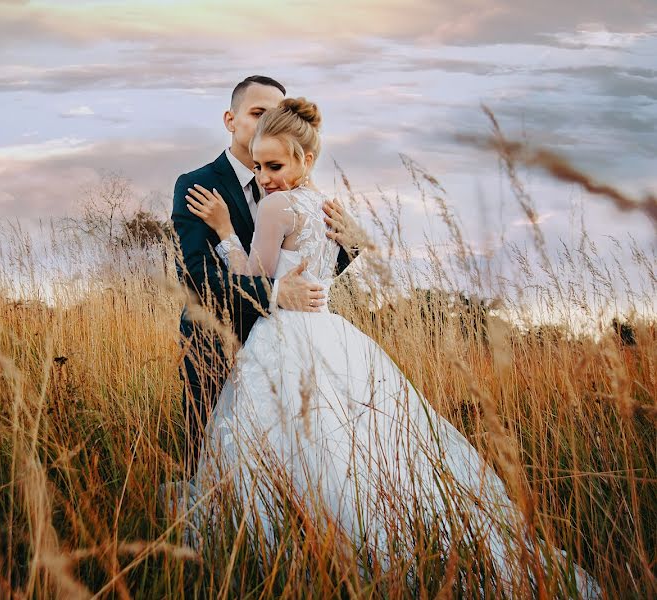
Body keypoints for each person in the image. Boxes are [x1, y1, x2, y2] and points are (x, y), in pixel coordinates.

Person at [185, 97, 600, 596]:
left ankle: (304, 544)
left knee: (295, 440)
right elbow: (326, 262)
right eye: (259, 167)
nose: (266, 176)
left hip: (286, 333)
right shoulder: (327, 205)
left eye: (274, 165)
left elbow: (252, 270)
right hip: (333, 334)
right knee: (349, 438)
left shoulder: (276, 205)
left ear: (304, 158)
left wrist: (226, 229)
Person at [171, 76, 361, 476]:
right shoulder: (197, 185)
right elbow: (196, 277)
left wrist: (353, 243)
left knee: (310, 456)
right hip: (218, 345)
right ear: (231, 119)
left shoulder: (304, 192)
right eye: (257, 113)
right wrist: (275, 292)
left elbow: (320, 267)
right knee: (218, 465)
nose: (264, 124)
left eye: (273, 115)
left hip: (296, 349)